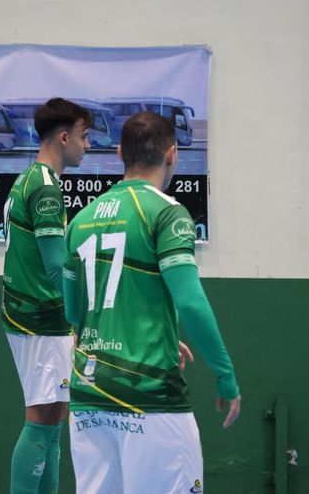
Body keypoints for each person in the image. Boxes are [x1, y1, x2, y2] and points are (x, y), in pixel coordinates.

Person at [63, 111, 241, 494]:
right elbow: (190, 303)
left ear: (120, 152)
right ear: (172, 152)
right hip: (149, 394)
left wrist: (159, 335)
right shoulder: (167, 212)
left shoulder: (79, 220)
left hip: (88, 395)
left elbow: (74, 314)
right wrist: (224, 374)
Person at [1, 97, 91, 494]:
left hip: (35, 316)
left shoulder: (30, 180)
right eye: (84, 136)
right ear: (64, 137)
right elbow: (56, 269)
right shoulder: (45, 188)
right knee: (41, 422)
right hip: (39, 319)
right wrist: (87, 320)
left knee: (53, 422)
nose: (87, 145)